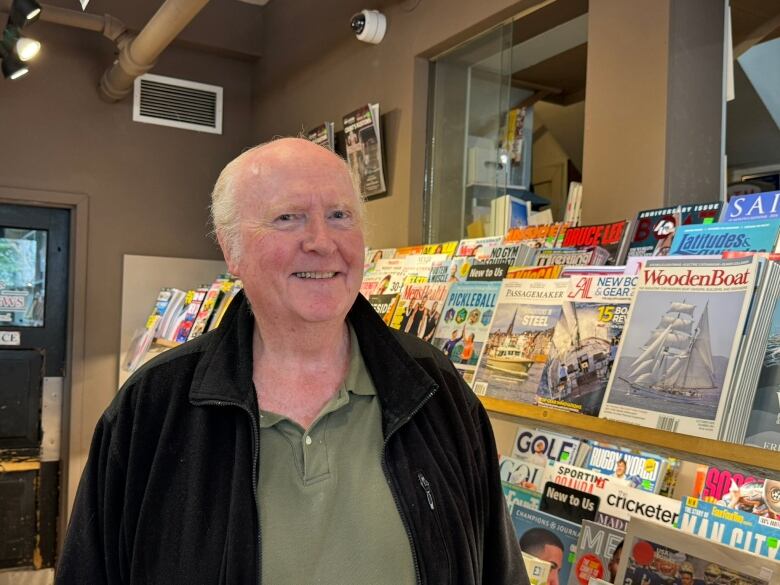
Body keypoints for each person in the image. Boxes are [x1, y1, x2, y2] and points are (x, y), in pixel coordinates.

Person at [56, 138, 526, 585]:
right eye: (288, 218)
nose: (322, 242)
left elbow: (500, 571)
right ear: (230, 248)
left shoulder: (435, 390)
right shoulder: (152, 408)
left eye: (340, 215)